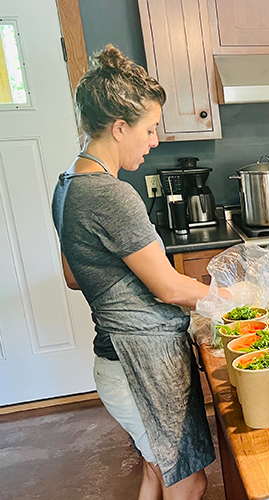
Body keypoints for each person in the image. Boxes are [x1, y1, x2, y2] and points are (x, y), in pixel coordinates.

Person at [52, 45, 215, 500]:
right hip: (140, 363)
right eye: (150, 129)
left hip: (115, 359)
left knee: (153, 472)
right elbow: (165, 286)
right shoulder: (111, 194)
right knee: (188, 481)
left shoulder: (68, 184)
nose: (154, 141)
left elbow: (72, 274)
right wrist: (236, 295)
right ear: (119, 127)